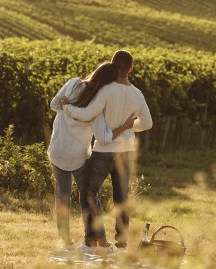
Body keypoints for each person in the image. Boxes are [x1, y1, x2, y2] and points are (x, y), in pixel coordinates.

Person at [63, 50, 153, 249]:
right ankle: (121, 243)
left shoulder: (106, 91)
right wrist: (130, 125)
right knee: (121, 197)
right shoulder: (137, 94)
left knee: (88, 192)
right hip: (126, 151)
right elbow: (147, 123)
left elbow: (88, 114)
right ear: (131, 68)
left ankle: (91, 238)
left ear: (113, 65)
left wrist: (67, 108)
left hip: (103, 151)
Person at [48, 62, 135, 250]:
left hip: (57, 150)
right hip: (78, 156)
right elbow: (104, 138)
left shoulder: (72, 84)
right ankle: (101, 240)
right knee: (89, 196)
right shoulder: (97, 105)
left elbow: (54, 104)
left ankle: (65, 241)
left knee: (62, 198)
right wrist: (126, 126)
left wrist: (67, 110)